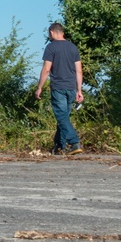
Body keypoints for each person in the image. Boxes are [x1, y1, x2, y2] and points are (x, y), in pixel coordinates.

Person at [35, 22, 84, 155]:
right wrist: (79, 90)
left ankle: (74, 143)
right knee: (64, 117)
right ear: (62, 32)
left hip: (58, 88)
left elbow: (46, 69)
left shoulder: (51, 47)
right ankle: (59, 146)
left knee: (62, 117)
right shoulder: (73, 48)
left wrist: (39, 87)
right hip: (71, 88)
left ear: (51, 32)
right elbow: (79, 71)